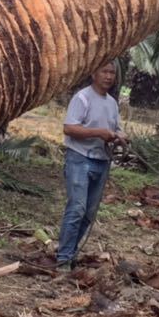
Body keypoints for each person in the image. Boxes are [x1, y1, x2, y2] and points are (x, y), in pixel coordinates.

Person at [55, 61, 125, 271]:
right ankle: (63, 259)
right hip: (80, 158)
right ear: (94, 73)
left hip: (101, 160)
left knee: (89, 213)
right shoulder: (82, 97)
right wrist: (98, 133)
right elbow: (69, 128)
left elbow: (117, 128)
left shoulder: (112, 103)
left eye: (112, 73)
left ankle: (71, 252)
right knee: (77, 208)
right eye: (105, 71)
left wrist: (120, 136)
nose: (109, 76)